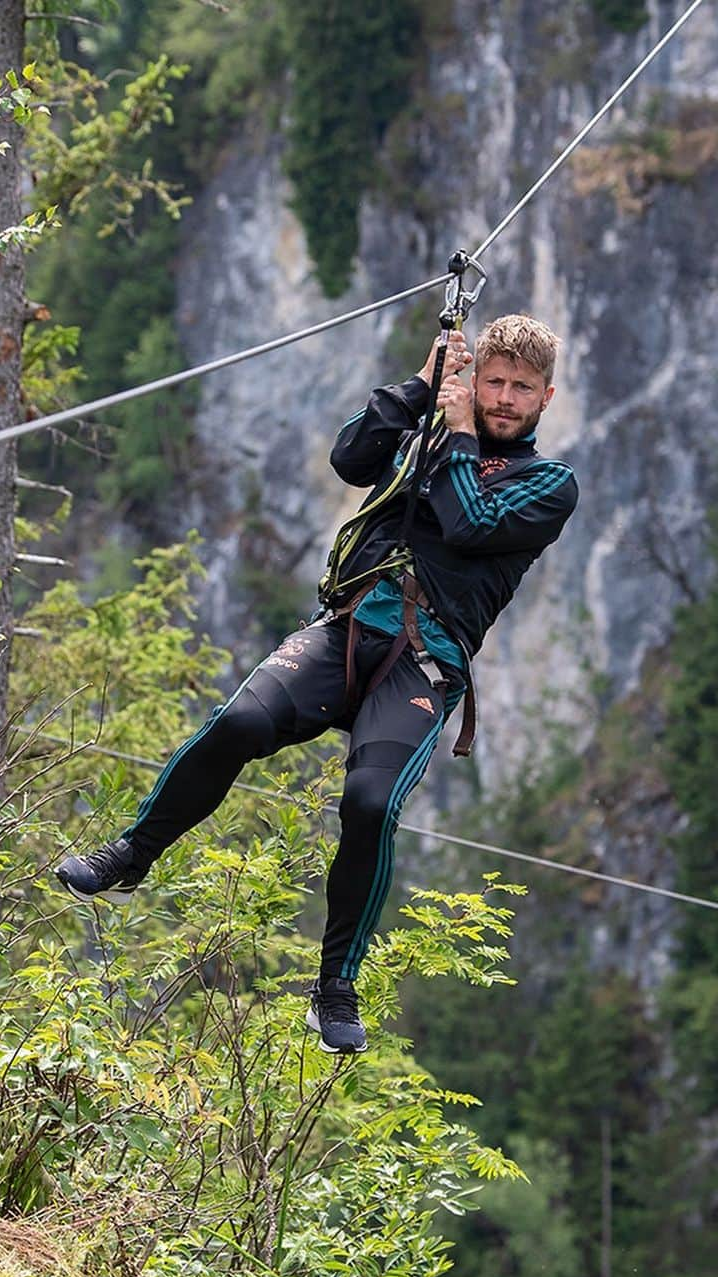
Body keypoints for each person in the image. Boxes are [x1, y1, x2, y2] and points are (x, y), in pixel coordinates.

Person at [56, 314, 578, 1053]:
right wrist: (420, 388)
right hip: (349, 625)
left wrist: (455, 430)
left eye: (519, 388)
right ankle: (132, 853)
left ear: (544, 398)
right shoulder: (428, 429)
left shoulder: (549, 485)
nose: (501, 397)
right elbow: (350, 455)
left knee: (368, 801)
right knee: (238, 723)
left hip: (424, 660)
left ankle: (336, 984)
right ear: (474, 378)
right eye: (491, 380)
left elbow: (468, 526)